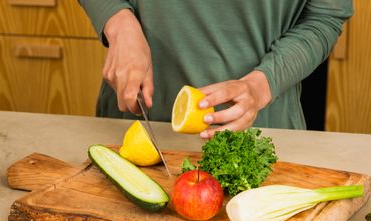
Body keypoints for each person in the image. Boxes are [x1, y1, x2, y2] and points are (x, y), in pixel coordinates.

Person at [78, 1, 352, 139]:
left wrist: (259, 86)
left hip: (260, 134)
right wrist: (118, 21)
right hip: (138, 129)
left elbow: (324, 17)